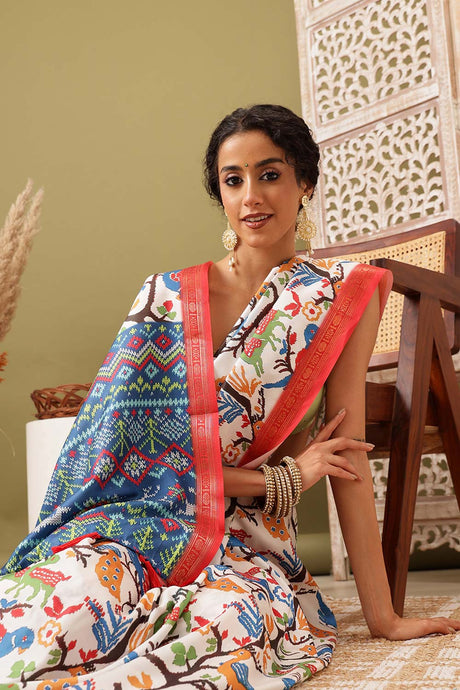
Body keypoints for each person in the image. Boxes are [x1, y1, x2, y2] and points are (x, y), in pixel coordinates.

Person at [0, 104, 458, 689]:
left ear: (305, 182)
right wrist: (285, 478)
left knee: (223, 624)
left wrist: (384, 618)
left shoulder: (340, 296)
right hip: (136, 523)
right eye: (233, 180)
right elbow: (127, 462)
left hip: (246, 542)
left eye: (269, 174)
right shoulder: (165, 297)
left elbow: (347, 459)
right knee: (64, 602)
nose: (251, 197)